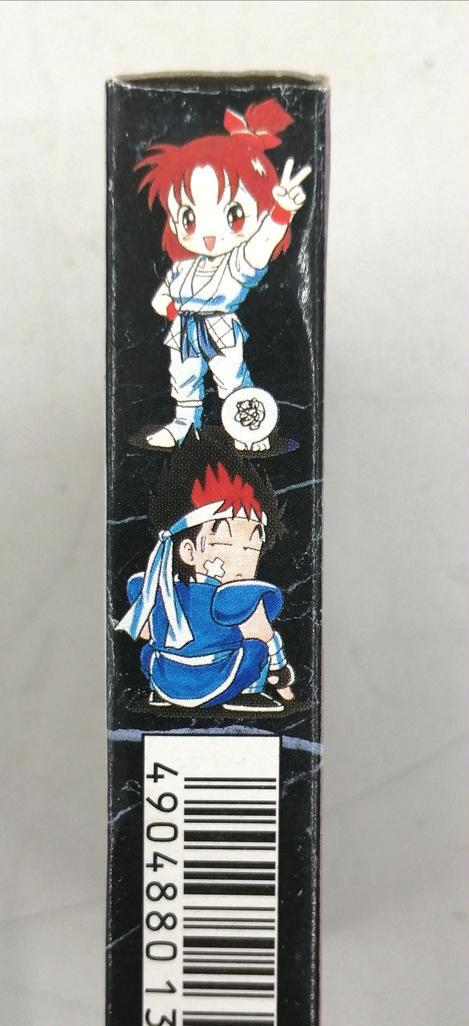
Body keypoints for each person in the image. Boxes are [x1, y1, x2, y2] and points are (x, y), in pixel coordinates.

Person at [135, 98, 311, 448]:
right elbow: (161, 300)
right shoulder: (183, 268)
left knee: (230, 377)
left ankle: (248, 430)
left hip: (219, 325)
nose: (209, 234)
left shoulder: (237, 263)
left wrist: (280, 212)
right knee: (183, 375)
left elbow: (261, 244)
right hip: (185, 329)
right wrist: (173, 309)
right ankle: (184, 423)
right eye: (189, 218)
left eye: (233, 215)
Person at [115, 435, 294, 711]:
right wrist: (282, 676)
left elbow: (147, 634)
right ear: (188, 552)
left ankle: (159, 694)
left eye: (250, 549)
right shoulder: (238, 598)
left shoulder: (157, 590)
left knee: (149, 651)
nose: (242, 562)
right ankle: (248, 694)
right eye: (226, 546)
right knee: (256, 649)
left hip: (165, 681)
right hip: (219, 681)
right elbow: (265, 636)